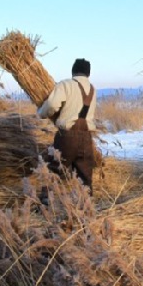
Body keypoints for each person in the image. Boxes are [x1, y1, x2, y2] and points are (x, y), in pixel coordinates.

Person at [37, 58, 97, 193]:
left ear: (73, 71)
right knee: (85, 176)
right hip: (87, 137)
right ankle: (85, 207)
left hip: (68, 137)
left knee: (54, 169)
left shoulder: (66, 84)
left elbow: (52, 104)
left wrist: (41, 113)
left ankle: (46, 204)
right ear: (88, 73)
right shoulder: (93, 89)